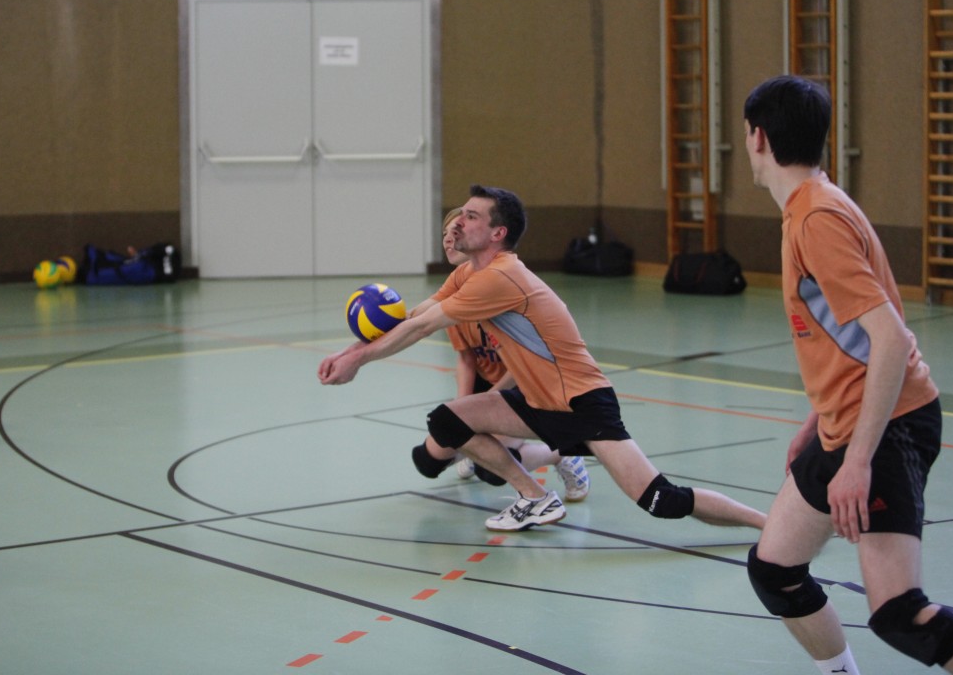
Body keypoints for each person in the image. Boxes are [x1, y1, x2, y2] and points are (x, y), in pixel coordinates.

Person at [741, 76, 953, 675]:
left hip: (889, 425)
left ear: (758, 138)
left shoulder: (817, 218)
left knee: (898, 613)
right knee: (774, 570)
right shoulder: (814, 204)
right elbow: (852, 338)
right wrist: (818, 420)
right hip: (849, 420)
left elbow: (889, 338)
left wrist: (858, 461)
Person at [320, 184, 766, 533]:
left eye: (471, 216)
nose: (458, 223)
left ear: (498, 233)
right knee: (448, 421)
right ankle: (535, 498)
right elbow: (416, 315)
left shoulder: (500, 277)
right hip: (536, 400)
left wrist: (359, 363)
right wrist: (350, 350)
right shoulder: (468, 273)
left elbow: (421, 328)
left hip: (582, 402)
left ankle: (768, 526)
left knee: (660, 500)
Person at [424, 208, 590, 501]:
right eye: (444, 234)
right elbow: (466, 359)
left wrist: (480, 409)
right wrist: (462, 412)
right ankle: (477, 448)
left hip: (524, 385)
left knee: (492, 471)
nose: (449, 240)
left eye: (457, 232)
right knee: (426, 461)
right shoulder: (455, 292)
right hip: (488, 384)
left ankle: (560, 453)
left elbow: (521, 365)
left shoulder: (502, 286)